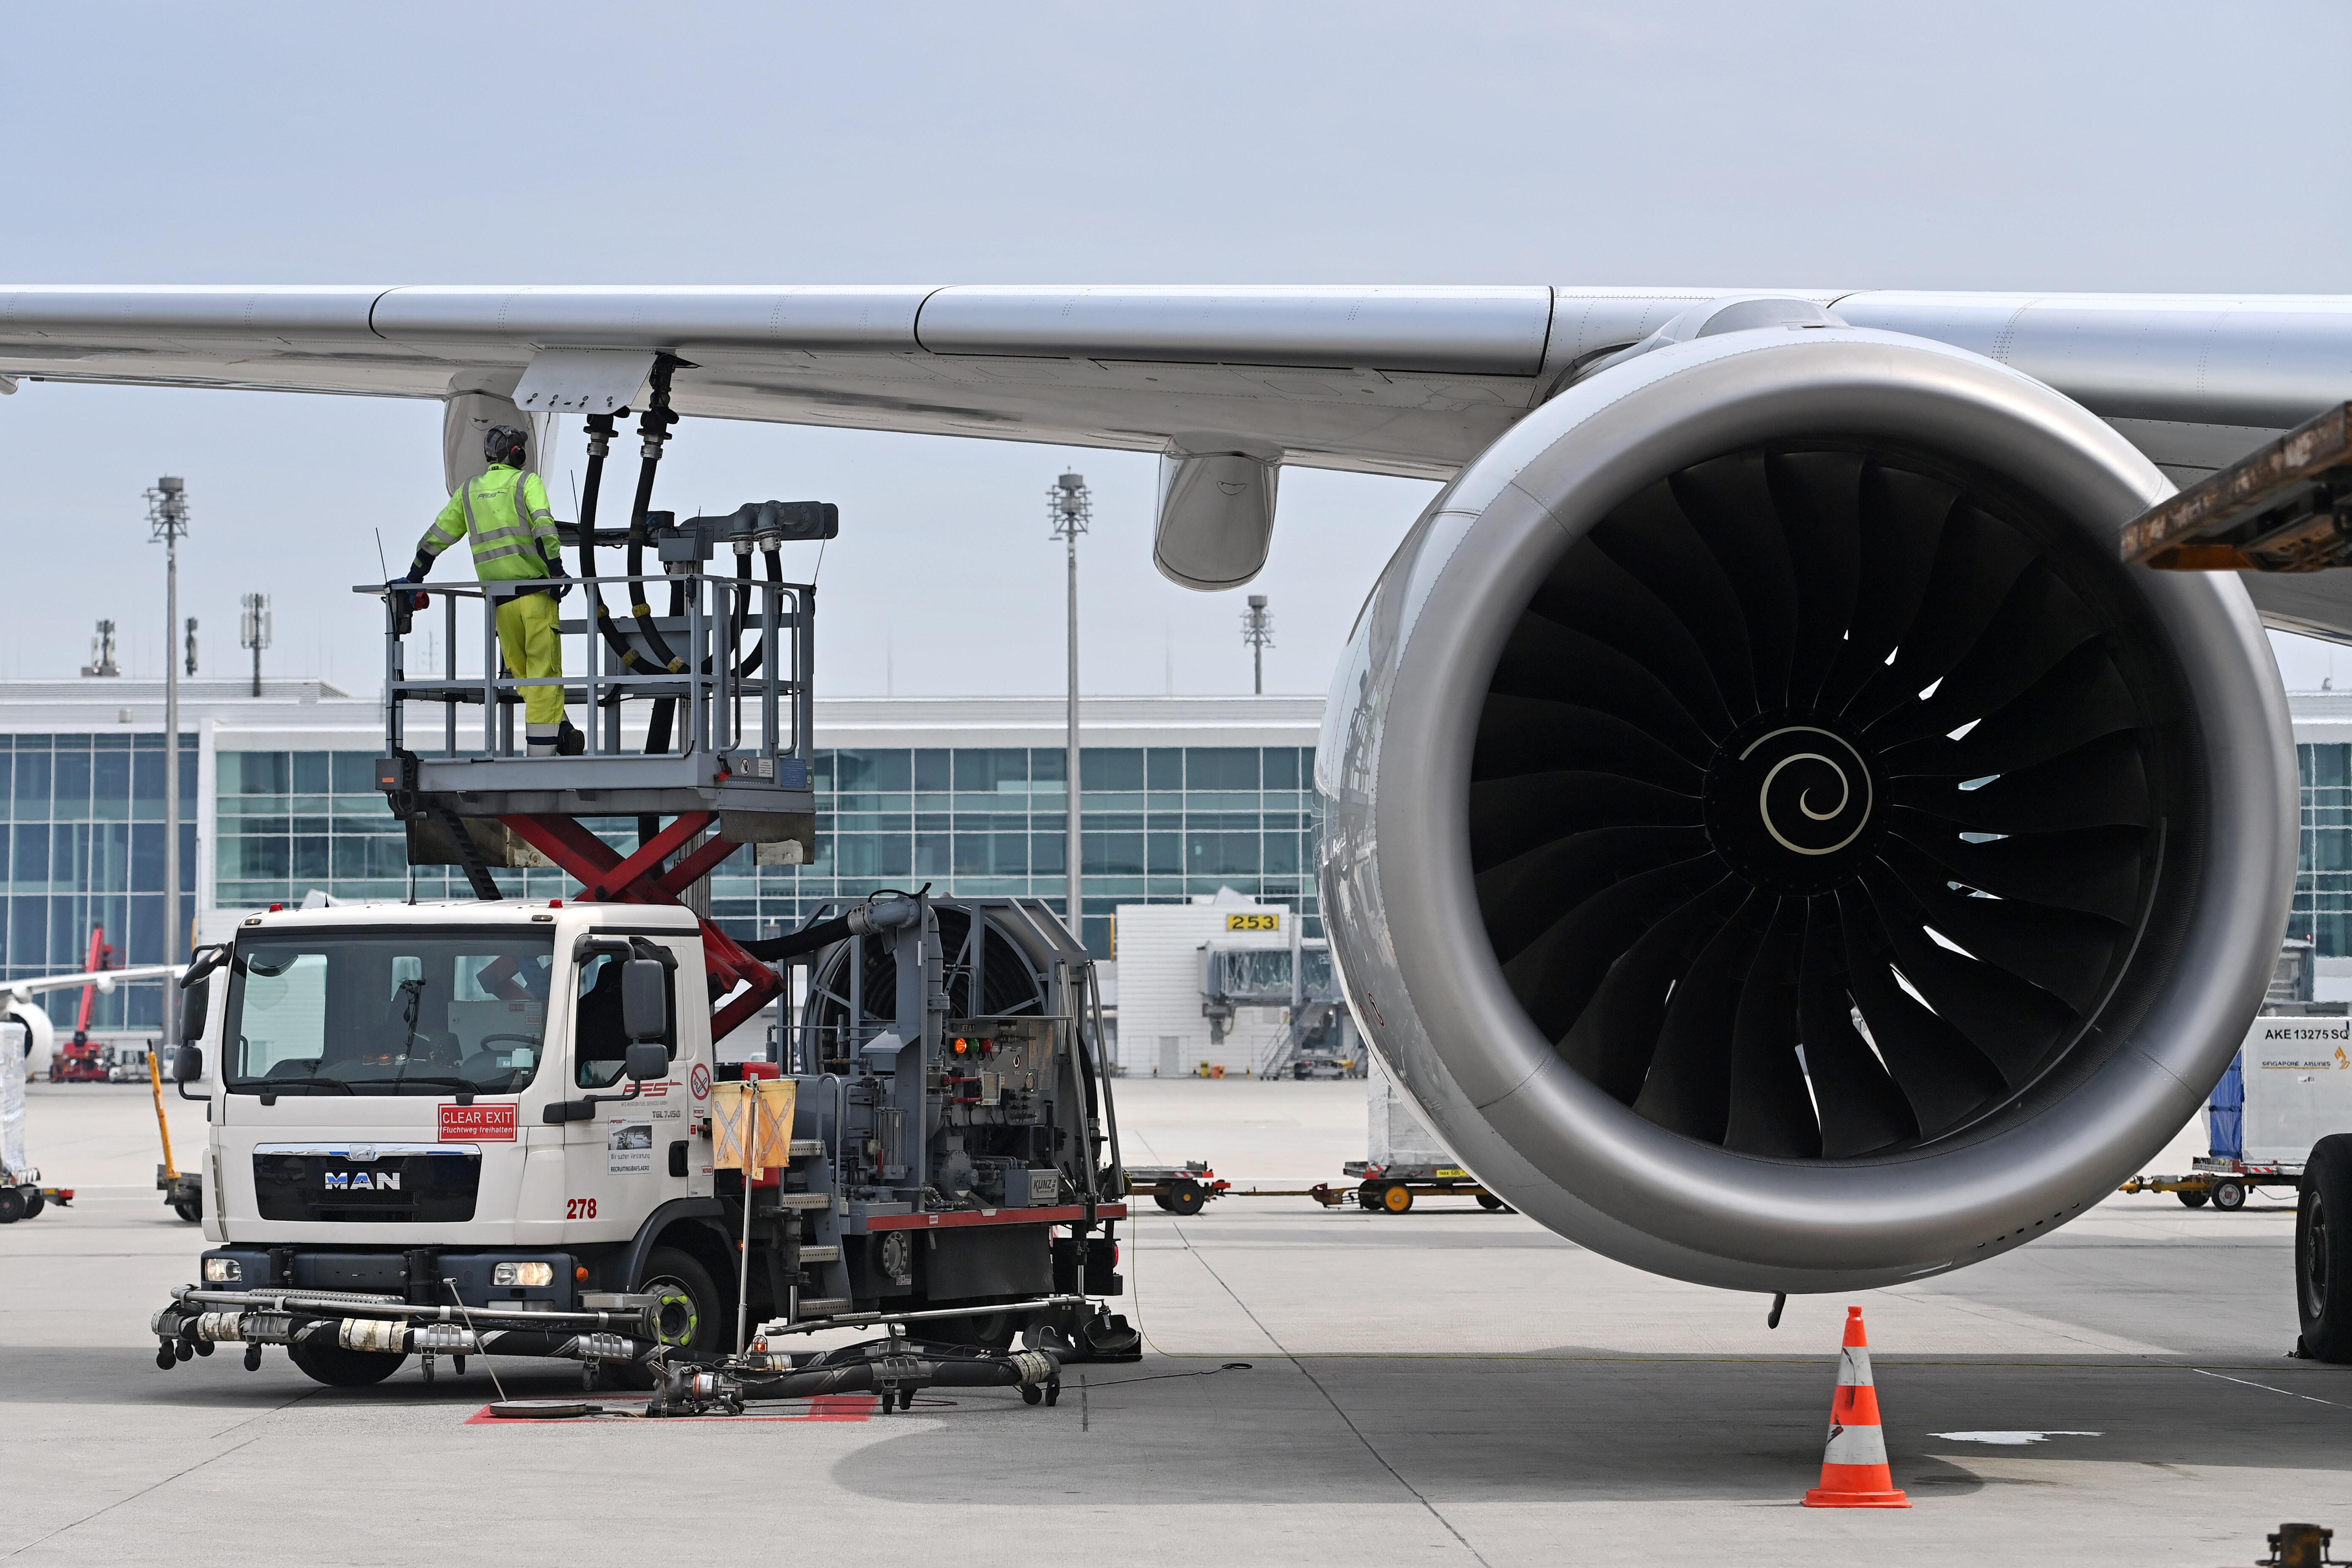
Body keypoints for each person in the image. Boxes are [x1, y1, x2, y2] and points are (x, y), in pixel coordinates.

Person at [407, 425, 583, 755]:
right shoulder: (527, 482)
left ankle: (559, 728)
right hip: (536, 594)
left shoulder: (468, 491)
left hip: (500, 602)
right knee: (543, 675)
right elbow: (544, 526)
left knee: (523, 676)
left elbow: (437, 536)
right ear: (517, 454)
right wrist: (557, 570)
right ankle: (543, 751)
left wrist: (414, 575)